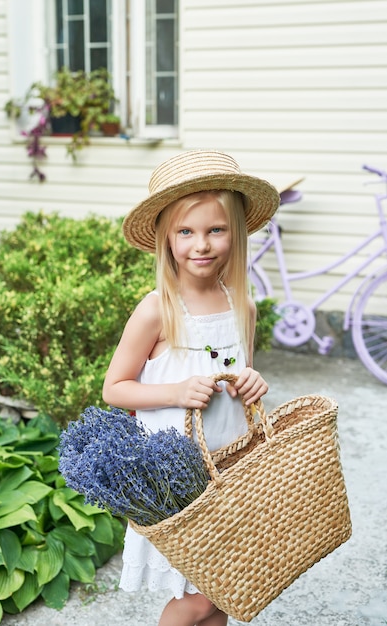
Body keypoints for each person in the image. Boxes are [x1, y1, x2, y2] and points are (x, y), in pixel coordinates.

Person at [102, 150, 280, 626]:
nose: (201, 244)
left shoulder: (241, 304)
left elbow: (237, 384)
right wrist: (176, 391)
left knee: (226, 593)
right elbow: (115, 388)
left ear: (236, 235)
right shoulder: (157, 309)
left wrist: (253, 384)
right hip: (181, 476)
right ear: (167, 238)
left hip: (231, 470)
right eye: (186, 232)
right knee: (196, 598)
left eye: (215, 230)